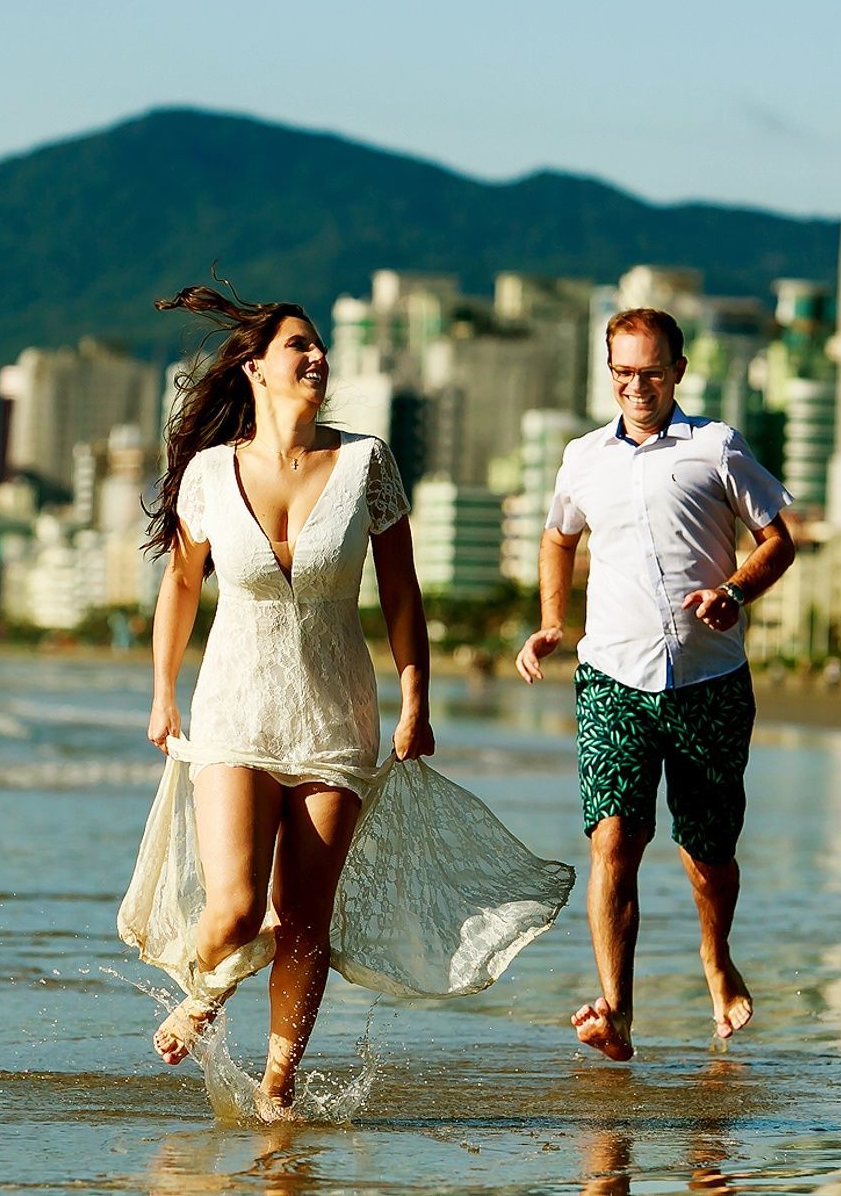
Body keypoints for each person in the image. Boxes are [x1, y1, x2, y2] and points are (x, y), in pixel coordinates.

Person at [120, 285, 572, 1115]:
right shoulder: (212, 473)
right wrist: (162, 694)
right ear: (256, 369)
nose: (317, 356)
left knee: (305, 918)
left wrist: (416, 699)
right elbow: (180, 587)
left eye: (320, 344)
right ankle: (208, 991)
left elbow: (401, 591)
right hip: (234, 710)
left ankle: (277, 1088)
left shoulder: (367, 463)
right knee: (235, 907)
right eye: (299, 345)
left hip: (334, 714)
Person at [515, 307, 796, 1061]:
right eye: (622, 372)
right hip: (612, 675)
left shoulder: (717, 446)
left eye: (650, 372)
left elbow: (778, 540)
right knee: (614, 838)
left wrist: (733, 592)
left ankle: (716, 956)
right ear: (608, 372)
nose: (636, 386)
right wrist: (551, 621)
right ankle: (616, 1010)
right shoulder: (582, 457)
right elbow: (558, 536)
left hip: (710, 678)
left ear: (678, 370)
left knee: (708, 856)